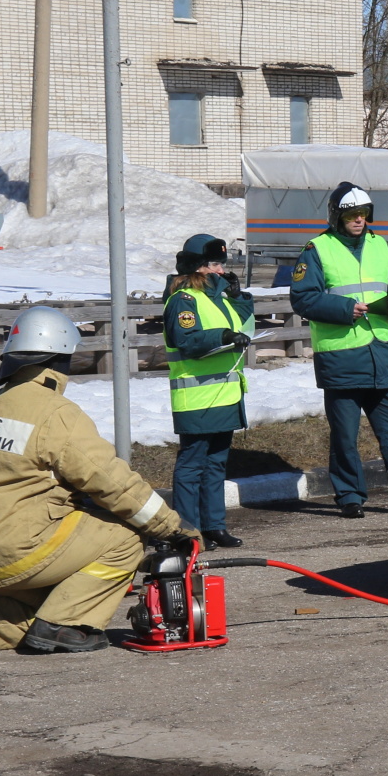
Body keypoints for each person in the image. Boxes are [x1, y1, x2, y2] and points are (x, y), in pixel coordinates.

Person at [0, 306, 196, 654]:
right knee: (124, 539)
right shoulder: (55, 412)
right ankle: (63, 626)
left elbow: (22, 475)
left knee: (58, 590)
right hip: (23, 549)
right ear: (60, 358)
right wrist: (171, 527)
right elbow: (111, 482)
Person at [289, 182, 388, 519]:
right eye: (352, 214)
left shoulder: (381, 246)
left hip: (381, 354)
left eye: (364, 213)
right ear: (336, 216)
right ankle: (349, 496)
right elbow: (303, 297)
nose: (359, 220)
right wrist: (345, 309)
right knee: (345, 435)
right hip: (341, 358)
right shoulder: (317, 249)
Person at [164, 233, 254, 549]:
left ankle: (214, 526)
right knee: (192, 466)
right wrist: (223, 335)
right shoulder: (183, 301)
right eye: (213, 264)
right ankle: (187, 532)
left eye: (221, 264)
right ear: (197, 268)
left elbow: (246, 325)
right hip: (197, 396)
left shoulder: (220, 298)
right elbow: (187, 341)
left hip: (224, 395)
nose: (220, 270)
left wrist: (239, 296)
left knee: (216, 463)